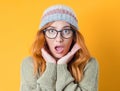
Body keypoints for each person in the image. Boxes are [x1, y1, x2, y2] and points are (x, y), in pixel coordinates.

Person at [20, 4, 99, 91]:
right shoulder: (30, 63)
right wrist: (51, 67)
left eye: (66, 31)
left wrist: (62, 67)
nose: (59, 39)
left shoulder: (88, 64)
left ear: (74, 36)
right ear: (43, 36)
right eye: (51, 31)